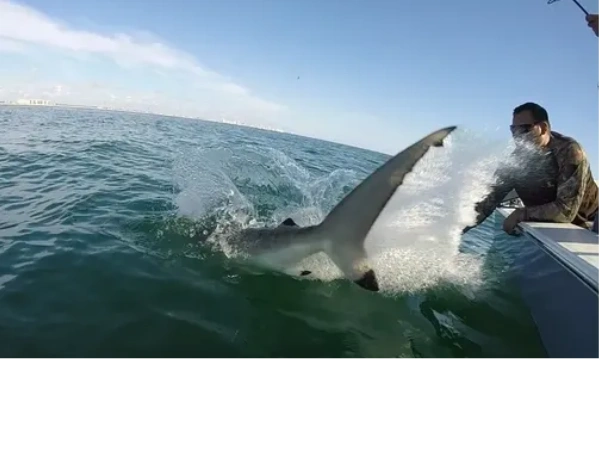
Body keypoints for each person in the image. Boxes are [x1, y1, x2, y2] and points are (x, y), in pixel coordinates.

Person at [463, 102, 599, 235]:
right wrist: (452, 230)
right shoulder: (517, 160)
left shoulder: (570, 151)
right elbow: (487, 202)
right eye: (513, 130)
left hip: (591, 222)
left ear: (543, 128)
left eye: (524, 129)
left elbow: (565, 211)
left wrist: (522, 213)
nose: (517, 136)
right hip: (555, 232)